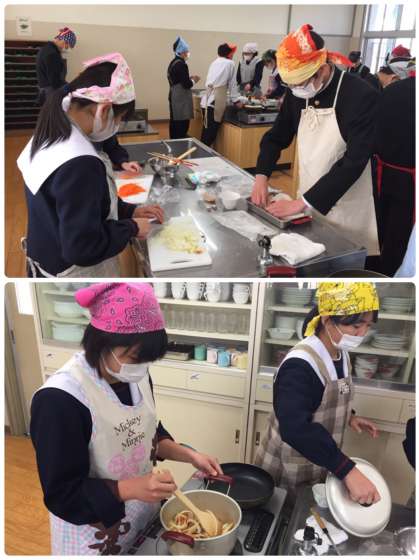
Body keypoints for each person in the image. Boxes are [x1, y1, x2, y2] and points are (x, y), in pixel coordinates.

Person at [31, 283, 222, 555]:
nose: (141, 366)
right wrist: (130, 488)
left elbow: (145, 431)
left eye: (147, 359)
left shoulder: (134, 373)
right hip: (92, 535)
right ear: (102, 343)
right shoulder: (60, 400)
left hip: (142, 519)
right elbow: (62, 493)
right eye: (134, 357)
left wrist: (190, 456)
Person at [17, 53, 164, 278]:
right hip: (71, 274)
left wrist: (128, 211)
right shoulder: (80, 163)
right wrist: (131, 228)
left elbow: (76, 205)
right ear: (103, 110)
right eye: (119, 120)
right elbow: (82, 246)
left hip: (45, 255)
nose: (116, 126)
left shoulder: (51, 130)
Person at [251, 24, 380, 258]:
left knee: (343, 260)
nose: (295, 90)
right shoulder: (297, 94)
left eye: (299, 83)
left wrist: (303, 202)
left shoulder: (360, 95)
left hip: (346, 203)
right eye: (290, 85)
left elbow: (354, 161)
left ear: (322, 69)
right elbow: (276, 137)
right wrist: (261, 175)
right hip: (307, 195)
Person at [255, 282, 381, 506]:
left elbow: (326, 396)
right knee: (282, 512)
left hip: (317, 459)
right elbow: (295, 428)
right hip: (287, 465)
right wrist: (347, 470)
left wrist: (349, 416)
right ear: (327, 319)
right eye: (356, 325)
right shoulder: (300, 365)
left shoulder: (340, 352)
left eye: (368, 326)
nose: (362, 333)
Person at [374, 75, 415, 276]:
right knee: (399, 238)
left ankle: (373, 269)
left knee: (379, 228)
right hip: (410, 181)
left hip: (383, 173)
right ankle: (389, 273)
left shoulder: (392, 89)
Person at [200, 43, 245, 147]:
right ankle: (203, 154)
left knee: (206, 132)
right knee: (210, 135)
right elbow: (232, 84)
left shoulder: (214, 62)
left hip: (206, 100)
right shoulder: (230, 63)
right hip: (215, 102)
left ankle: (201, 152)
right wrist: (236, 100)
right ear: (229, 54)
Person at [167, 36, 200, 139]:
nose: (187, 53)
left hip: (174, 96)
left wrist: (188, 78)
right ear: (181, 52)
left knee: (174, 121)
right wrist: (194, 80)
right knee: (182, 124)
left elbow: (177, 79)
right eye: (186, 51)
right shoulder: (182, 64)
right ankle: (180, 142)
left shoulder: (173, 63)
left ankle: (173, 141)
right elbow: (186, 84)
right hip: (180, 99)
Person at [36, 27, 77, 105]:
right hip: (51, 91)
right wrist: (69, 87)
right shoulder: (52, 54)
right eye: (67, 46)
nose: (66, 49)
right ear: (64, 41)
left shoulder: (46, 49)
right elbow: (55, 81)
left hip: (46, 89)